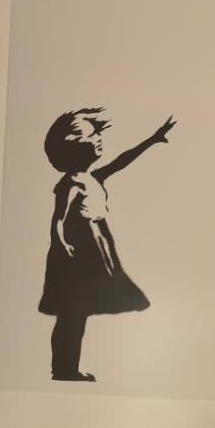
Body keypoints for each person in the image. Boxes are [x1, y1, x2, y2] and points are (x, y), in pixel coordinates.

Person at [38, 108, 175, 381]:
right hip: (78, 249)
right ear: (73, 147)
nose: (99, 140)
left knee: (78, 313)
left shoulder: (93, 177)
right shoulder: (71, 184)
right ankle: (64, 369)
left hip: (97, 243)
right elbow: (58, 220)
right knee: (71, 314)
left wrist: (153, 139)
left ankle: (67, 368)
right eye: (92, 136)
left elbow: (123, 160)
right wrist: (62, 244)